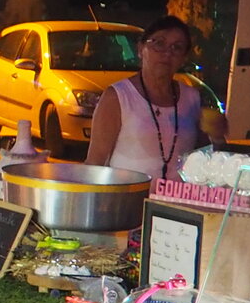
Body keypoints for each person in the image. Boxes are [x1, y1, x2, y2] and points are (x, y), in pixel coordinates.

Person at [87, 16, 226, 180]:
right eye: (159, 44)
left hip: (175, 201)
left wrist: (217, 136)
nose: (167, 53)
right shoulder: (119, 97)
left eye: (177, 47)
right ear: (140, 49)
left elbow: (205, 159)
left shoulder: (192, 97)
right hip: (130, 200)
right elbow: (95, 162)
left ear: (184, 58)